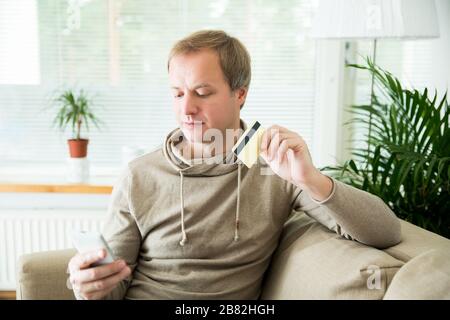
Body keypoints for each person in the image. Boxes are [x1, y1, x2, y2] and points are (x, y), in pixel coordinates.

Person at [68, 30, 402, 300]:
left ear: (240, 93)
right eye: (177, 93)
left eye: (202, 92)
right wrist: (90, 288)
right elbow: (113, 285)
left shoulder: (272, 164)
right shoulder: (140, 175)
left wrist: (311, 179)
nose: (187, 110)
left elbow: (385, 232)